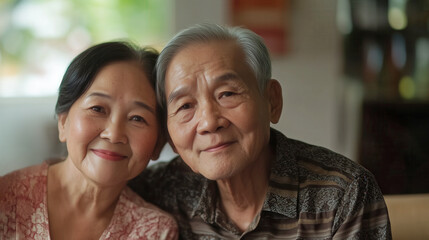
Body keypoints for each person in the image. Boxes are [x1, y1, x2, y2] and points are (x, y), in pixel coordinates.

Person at [129, 23, 392, 239]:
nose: (209, 122)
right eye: (185, 105)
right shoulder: (158, 191)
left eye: (227, 93)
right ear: (170, 135)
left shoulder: (342, 195)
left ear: (272, 101)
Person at [0, 41, 178, 239]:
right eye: (97, 109)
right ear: (63, 121)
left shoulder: (155, 231)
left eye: (137, 118)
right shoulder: (6, 199)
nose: (114, 133)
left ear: (158, 144)